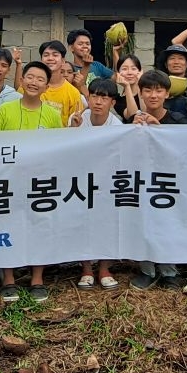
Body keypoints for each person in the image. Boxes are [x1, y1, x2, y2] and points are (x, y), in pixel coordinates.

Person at [0, 61, 63, 302]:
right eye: (30, 77)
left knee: (39, 227)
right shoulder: (5, 110)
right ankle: (8, 278)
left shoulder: (52, 114)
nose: (33, 82)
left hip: (40, 182)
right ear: (22, 80)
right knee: (7, 226)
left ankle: (37, 278)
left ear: (46, 85)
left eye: (40, 79)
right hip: (8, 181)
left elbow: (59, 150)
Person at [127, 68, 187, 290]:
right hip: (142, 182)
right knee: (144, 224)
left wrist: (159, 130)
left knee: (169, 223)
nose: (153, 95)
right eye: (148, 90)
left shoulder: (178, 120)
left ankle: (170, 271)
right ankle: (147, 270)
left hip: (169, 182)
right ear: (140, 93)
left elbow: (184, 152)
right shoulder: (133, 122)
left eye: (158, 90)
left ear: (167, 94)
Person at [72, 78, 123, 291]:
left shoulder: (117, 126)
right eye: (94, 96)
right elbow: (68, 151)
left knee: (107, 224)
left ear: (112, 102)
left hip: (107, 182)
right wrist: (73, 131)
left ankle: (104, 268)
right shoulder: (78, 119)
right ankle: (86, 268)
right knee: (84, 223)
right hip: (82, 181)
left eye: (104, 97)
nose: (98, 102)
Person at [37, 40, 85, 126]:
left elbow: (75, 125)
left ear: (63, 61)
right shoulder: (31, 86)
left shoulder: (73, 93)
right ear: (41, 60)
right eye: (46, 55)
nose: (50, 58)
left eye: (55, 55)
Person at [111, 55, 144, 121]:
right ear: (118, 73)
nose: (129, 73)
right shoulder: (118, 101)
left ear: (140, 72)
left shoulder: (149, 92)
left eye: (133, 69)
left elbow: (147, 112)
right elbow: (133, 117)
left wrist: (139, 83)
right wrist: (127, 86)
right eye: (124, 69)